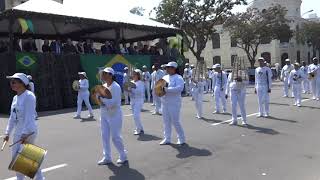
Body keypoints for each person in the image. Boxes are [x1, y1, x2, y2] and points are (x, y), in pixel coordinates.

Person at [3, 73, 44, 180]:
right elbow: (12, 117)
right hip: (19, 130)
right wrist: (7, 133)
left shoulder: (29, 96)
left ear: (22, 83)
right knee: (20, 159)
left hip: (29, 131)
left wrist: (25, 134)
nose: (11, 84)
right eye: (11, 82)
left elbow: (30, 117)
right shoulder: (15, 98)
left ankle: (39, 178)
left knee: (25, 159)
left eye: (14, 81)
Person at [97, 67, 128, 165]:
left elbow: (113, 102)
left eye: (105, 73)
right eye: (103, 74)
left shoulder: (116, 87)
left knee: (115, 137)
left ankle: (123, 155)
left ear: (111, 75)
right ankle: (107, 157)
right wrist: (98, 99)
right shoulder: (104, 85)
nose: (103, 75)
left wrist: (102, 100)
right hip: (104, 114)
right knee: (104, 136)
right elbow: (101, 100)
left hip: (114, 114)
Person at [160, 62, 186, 145]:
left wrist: (167, 89)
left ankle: (181, 138)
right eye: (166, 67)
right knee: (166, 121)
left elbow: (179, 88)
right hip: (165, 102)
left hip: (174, 102)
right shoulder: (164, 77)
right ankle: (167, 138)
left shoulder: (178, 78)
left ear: (174, 68)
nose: (167, 69)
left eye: (169, 67)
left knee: (175, 121)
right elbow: (160, 87)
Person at [128, 69, 145, 135]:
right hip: (132, 101)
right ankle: (140, 128)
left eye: (135, 74)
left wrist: (132, 90)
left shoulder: (141, 83)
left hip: (139, 100)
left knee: (136, 115)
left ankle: (139, 129)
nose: (134, 75)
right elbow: (129, 91)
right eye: (133, 74)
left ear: (138, 75)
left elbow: (139, 92)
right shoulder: (131, 81)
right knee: (134, 116)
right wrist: (128, 90)